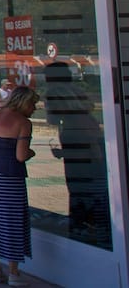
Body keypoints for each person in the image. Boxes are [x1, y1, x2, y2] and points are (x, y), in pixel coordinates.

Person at [43, 62, 109, 245]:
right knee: (92, 201)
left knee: (86, 201)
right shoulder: (79, 115)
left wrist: (64, 152)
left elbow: (90, 153)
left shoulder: (74, 122)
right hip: (87, 168)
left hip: (84, 171)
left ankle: (89, 236)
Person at [0, 86, 37, 286]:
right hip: (9, 178)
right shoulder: (23, 123)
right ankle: (13, 272)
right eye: (33, 103)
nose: (35, 108)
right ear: (23, 103)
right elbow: (21, 155)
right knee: (11, 221)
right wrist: (32, 153)